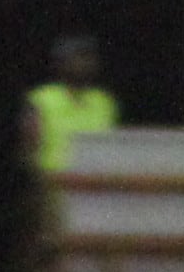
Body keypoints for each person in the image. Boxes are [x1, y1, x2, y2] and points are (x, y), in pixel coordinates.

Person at [26, 31, 118, 175]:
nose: (85, 63)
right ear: (60, 63)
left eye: (89, 57)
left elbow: (111, 148)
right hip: (52, 182)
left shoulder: (104, 101)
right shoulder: (42, 99)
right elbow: (28, 151)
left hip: (94, 183)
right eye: (79, 56)